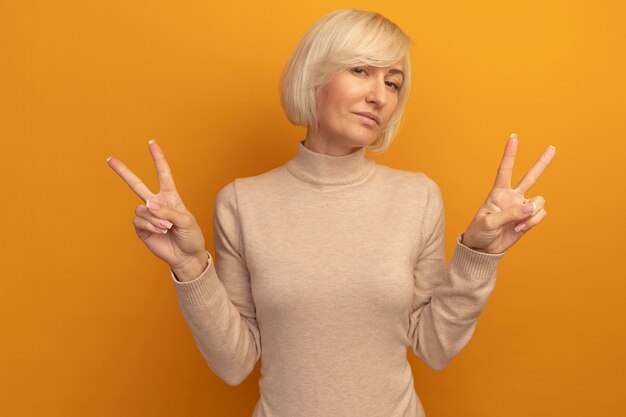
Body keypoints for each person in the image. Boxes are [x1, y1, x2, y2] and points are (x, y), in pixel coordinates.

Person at [107, 9, 555, 417]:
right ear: (313, 75)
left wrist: (477, 254)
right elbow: (234, 363)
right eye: (361, 70)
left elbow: (435, 347)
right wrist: (189, 266)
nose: (380, 95)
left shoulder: (416, 197)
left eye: (393, 82)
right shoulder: (242, 203)